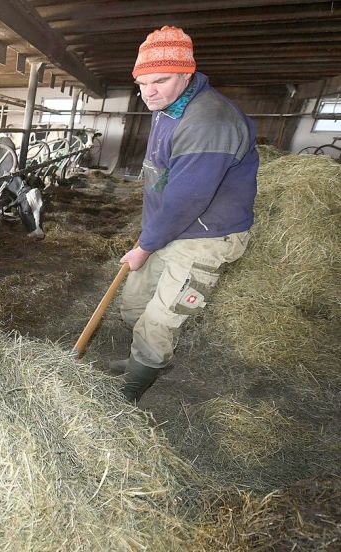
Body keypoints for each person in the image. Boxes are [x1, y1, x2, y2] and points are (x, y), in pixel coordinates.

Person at [111, 26, 259, 402]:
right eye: (142, 83)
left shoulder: (209, 121)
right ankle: (141, 360)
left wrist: (145, 246)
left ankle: (132, 386)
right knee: (134, 303)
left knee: (162, 317)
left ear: (187, 74)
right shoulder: (167, 108)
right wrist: (151, 235)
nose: (149, 92)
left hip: (205, 234)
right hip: (168, 227)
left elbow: (187, 198)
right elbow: (163, 182)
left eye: (160, 80)